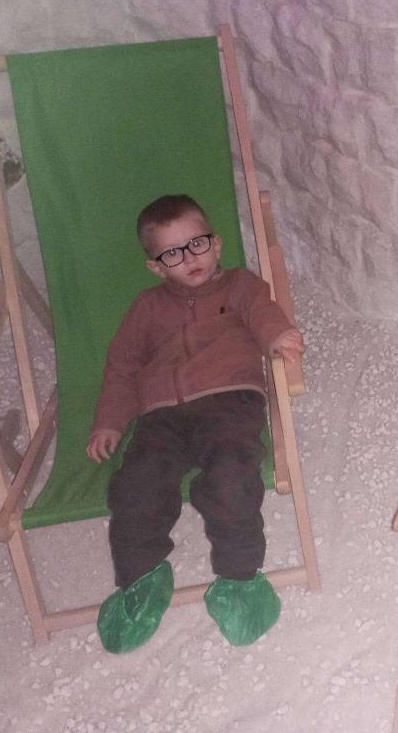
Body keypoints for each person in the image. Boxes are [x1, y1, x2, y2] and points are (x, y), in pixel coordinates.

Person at [86, 194, 304, 654]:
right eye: (172, 253)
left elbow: (261, 310)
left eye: (197, 244)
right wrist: (109, 421)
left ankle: (240, 578)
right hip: (161, 414)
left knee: (231, 476)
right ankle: (141, 579)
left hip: (229, 401)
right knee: (136, 484)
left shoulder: (239, 286)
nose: (190, 258)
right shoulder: (147, 308)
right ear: (155, 267)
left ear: (216, 243)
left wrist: (276, 335)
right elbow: (123, 365)